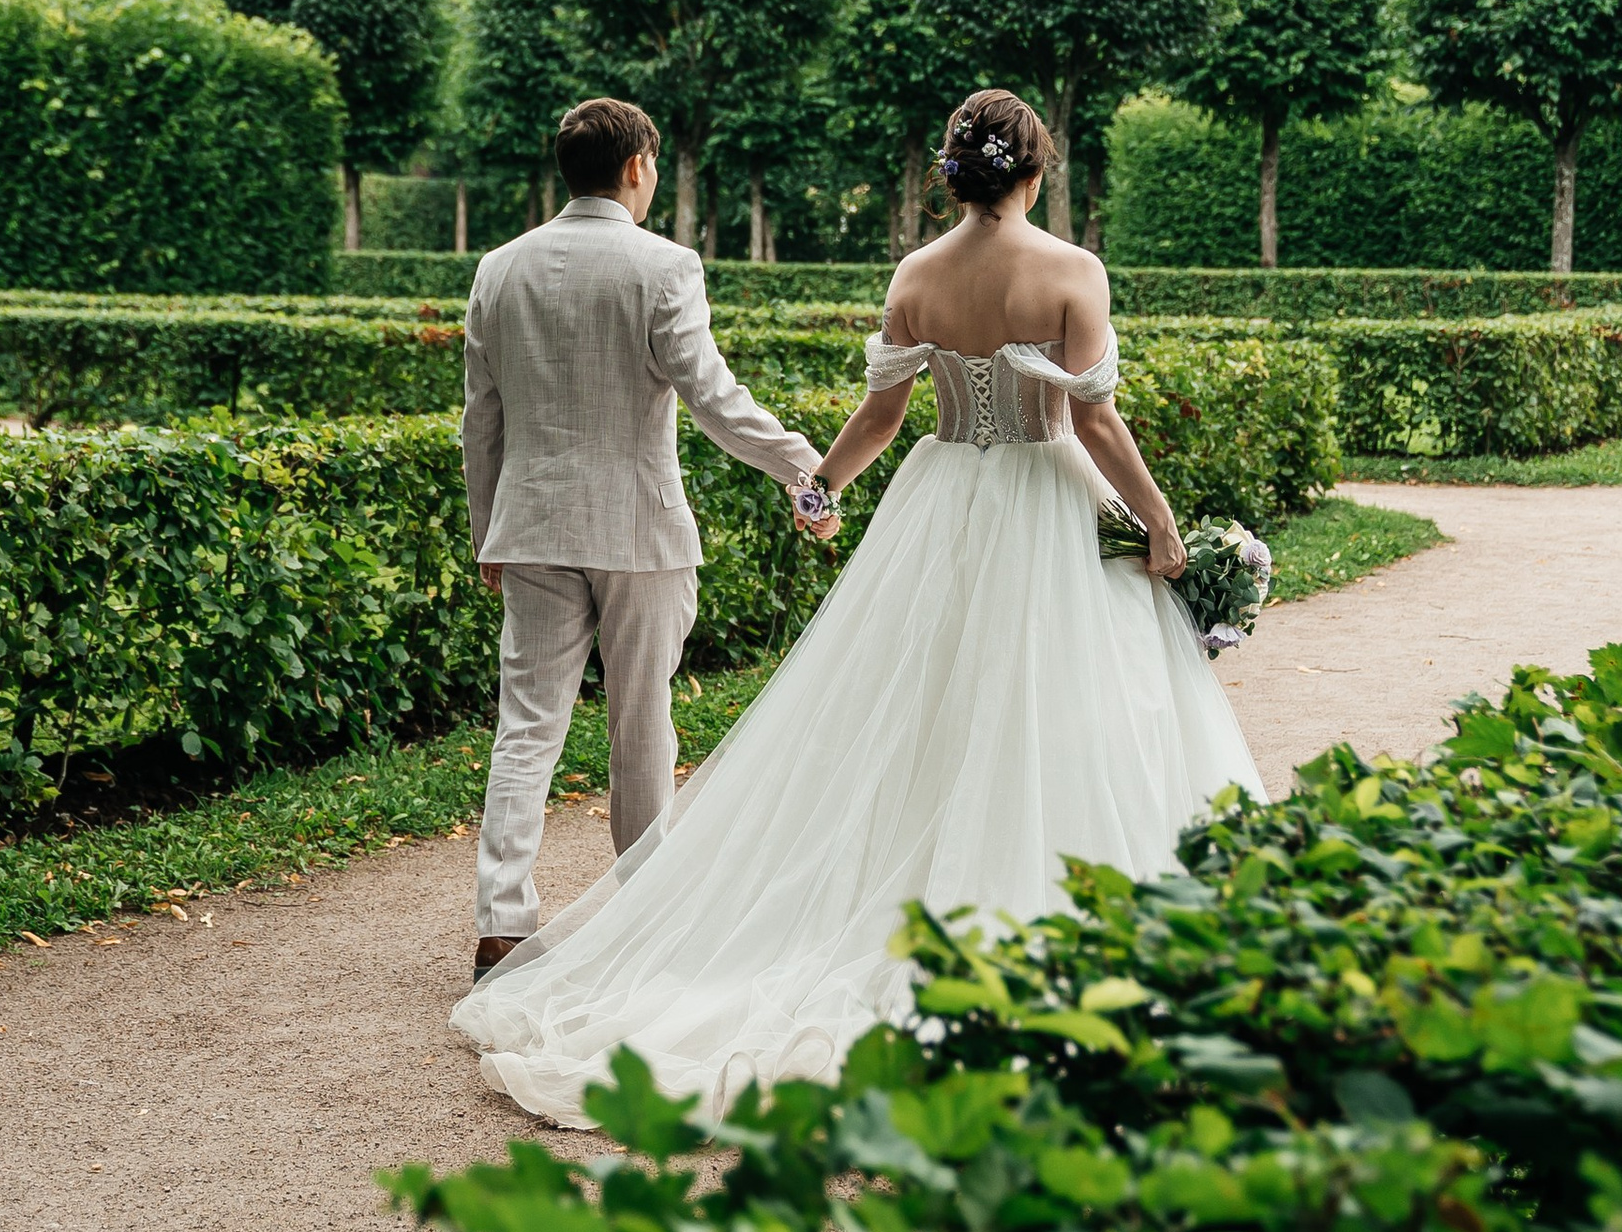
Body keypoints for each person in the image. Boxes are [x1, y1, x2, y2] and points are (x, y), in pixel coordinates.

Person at [454, 85, 1264, 1128]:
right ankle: (1047, 914)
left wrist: (822, 485)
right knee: (1064, 704)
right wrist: (1157, 522)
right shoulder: (1072, 271)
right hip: (1044, 493)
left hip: (941, 498)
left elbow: (883, 411)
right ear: (1034, 169)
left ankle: (546, 916)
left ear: (953, 173)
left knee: (915, 705)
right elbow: (1095, 421)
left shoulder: (917, 275)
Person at [460, 96, 839, 981]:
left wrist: (490, 533)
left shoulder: (498, 269)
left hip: (534, 527)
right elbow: (712, 395)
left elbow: (481, 421)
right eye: (656, 163)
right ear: (637, 166)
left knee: (526, 729)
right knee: (642, 724)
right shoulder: (664, 266)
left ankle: (501, 928)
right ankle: (645, 916)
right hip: (641, 528)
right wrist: (800, 467)